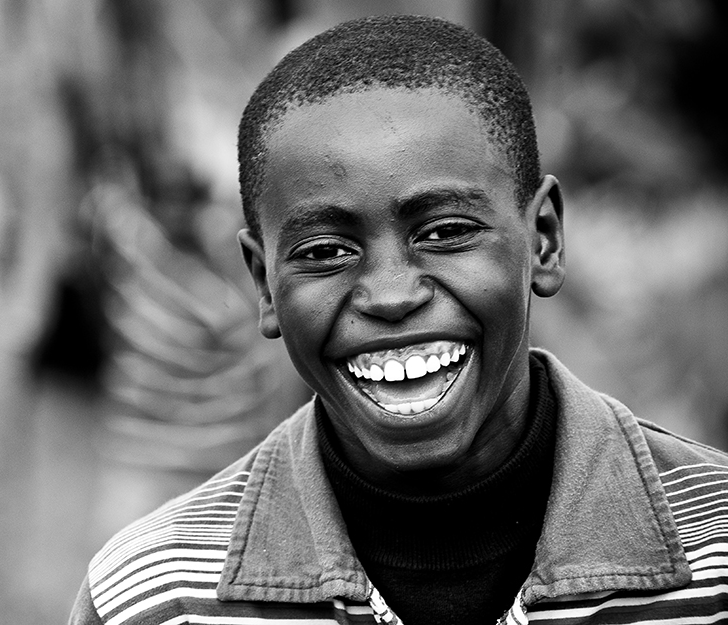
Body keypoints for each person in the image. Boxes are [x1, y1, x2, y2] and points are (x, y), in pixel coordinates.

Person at [69, 15, 728, 625]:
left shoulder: (716, 557)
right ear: (264, 284)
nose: (389, 295)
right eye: (325, 251)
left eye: (445, 231)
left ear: (544, 240)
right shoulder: (161, 599)